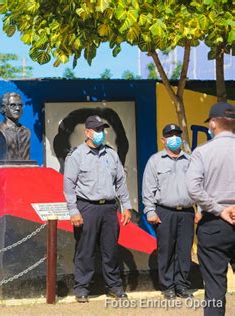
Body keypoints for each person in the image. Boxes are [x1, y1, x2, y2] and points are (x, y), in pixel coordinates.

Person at [63, 115, 132, 303]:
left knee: (110, 249)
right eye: (98, 130)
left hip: (109, 208)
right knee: (85, 250)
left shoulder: (111, 154)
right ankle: (82, 288)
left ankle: (114, 286)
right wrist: (73, 211)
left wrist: (126, 206)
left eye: (103, 129)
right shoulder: (76, 156)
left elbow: (120, 182)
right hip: (87, 207)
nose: (102, 133)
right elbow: (69, 186)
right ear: (87, 132)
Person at [186, 102, 235, 316]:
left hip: (214, 226)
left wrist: (218, 209)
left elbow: (192, 188)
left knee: (214, 289)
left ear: (213, 123)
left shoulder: (202, 152)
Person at [142, 123, 195, 299]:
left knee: (184, 250)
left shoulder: (190, 160)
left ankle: (182, 285)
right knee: (166, 250)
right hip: (164, 211)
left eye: (177, 135)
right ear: (163, 139)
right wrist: (150, 211)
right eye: (170, 135)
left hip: (187, 212)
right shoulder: (155, 161)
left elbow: (199, 186)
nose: (174, 138)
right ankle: (167, 286)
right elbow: (148, 189)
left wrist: (201, 209)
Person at [0, 92, 31, 161]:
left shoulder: (26, 131)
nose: (18, 108)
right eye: (13, 105)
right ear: (3, 108)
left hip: (25, 169)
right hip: (6, 169)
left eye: (20, 105)